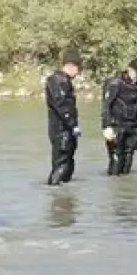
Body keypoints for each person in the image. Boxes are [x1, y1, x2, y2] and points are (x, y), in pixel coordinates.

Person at [101, 58, 137, 176]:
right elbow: (106, 106)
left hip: (133, 129)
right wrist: (107, 126)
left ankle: (124, 186)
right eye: (136, 72)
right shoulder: (115, 83)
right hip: (116, 127)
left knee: (127, 162)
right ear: (129, 69)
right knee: (116, 162)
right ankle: (113, 184)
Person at [45, 50, 83, 186]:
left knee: (68, 163)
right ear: (70, 65)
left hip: (66, 130)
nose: (79, 73)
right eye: (78, 68)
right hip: (61, 131)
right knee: (61, 164)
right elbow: (62, 106)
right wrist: (73, 125)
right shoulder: (57, 80)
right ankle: (54, 192)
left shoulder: (64, 81)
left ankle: (65, 196)